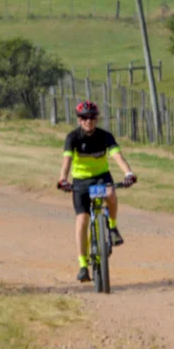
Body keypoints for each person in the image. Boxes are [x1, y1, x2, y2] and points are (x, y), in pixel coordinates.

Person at [57, 101, 136, 283]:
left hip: (101, 177)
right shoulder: (73, 138)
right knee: (82, 219)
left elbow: (117, 156)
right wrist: (63, 179)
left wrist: (128, 173)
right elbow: (66, 161)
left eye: (92, 118)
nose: (88, 121)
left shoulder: (105, 136)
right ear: (79, 120)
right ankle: (83, 265)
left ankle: (112, 226)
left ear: (97, 119)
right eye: (84, 118)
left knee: (110, 194)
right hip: (81, 181)